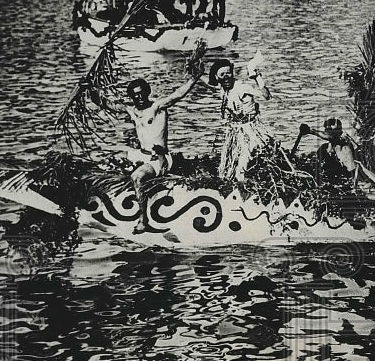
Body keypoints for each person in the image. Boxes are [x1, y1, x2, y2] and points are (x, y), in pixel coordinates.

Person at [107, 72, 202, 233]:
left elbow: (177, 95)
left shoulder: (157, 107)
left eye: (142, 93)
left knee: (137, 177)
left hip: (157, 157)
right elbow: (109, 105)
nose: (139, 97)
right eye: (135, 95)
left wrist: (194, 79)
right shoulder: (132, 111)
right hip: (141, 154)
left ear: (147, 92)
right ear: (132, 97)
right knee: (110, 160)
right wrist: (89, 90)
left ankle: (143, 220)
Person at [208, 57, 272, 183]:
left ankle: (244, 188)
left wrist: (257, 77)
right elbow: (209, 84)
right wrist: (195, 76)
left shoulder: (241, 87)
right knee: (226, 169)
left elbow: (266, 96)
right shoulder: (224, 90)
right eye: (222, 74)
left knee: (241, 168)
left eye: (228, 73)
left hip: (249, 132)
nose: (226, 77)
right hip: (235, 132)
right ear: (216, 77)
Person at [304, 117, 359, 183]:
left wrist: (310, 130)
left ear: (340, 132)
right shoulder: (324, 148)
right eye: (327, 131)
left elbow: (332, 137)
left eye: (332, 132)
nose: (328, 134)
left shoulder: (345, 144)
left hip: (346, 177)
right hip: (330, 177)